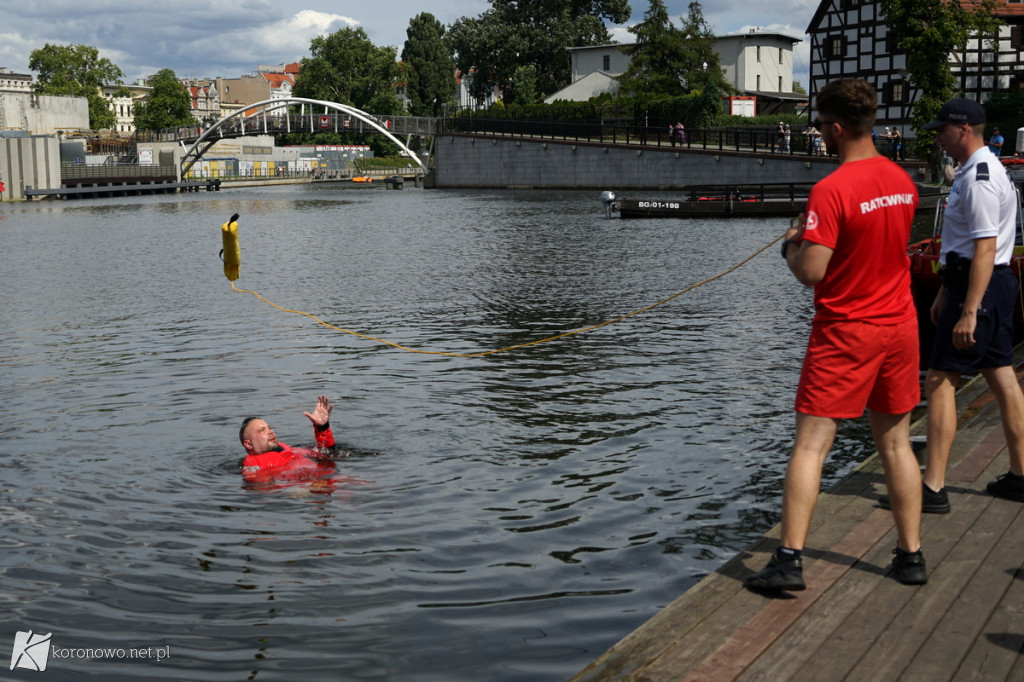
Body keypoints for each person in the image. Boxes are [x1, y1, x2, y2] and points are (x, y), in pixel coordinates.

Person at [745, 79, 927, 592]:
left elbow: (813, 272)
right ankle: (910, 556)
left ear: (838, 127)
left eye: (821, 126)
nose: (819, 134)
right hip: (900, 325)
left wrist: (791, 245)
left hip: (848, 329)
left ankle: (788, 562)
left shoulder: (832, 189)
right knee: (895, 443)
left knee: (810, 446)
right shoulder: (903, 180)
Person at [915, 99, 1024, 508]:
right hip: (987, 283)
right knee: (1001, 376)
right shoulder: (982, 171)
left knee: (940, 380)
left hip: (980, 286)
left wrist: (969, 309)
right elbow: (964, 246)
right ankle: (1020, 475)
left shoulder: (978, 178)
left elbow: (983, 247)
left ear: (963, 130)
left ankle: (933, 487)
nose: (938, 136)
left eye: (942, 129)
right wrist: (945, 290)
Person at [240, 395, 337, 484]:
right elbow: (261, 487)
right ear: (248, 444)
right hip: (309, 486)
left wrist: (322, 428)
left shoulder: (289, 449)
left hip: (329, 475)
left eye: (269, 428)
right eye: (261, 431)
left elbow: (328, 454)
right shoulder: (253, 463)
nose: (270, 432)